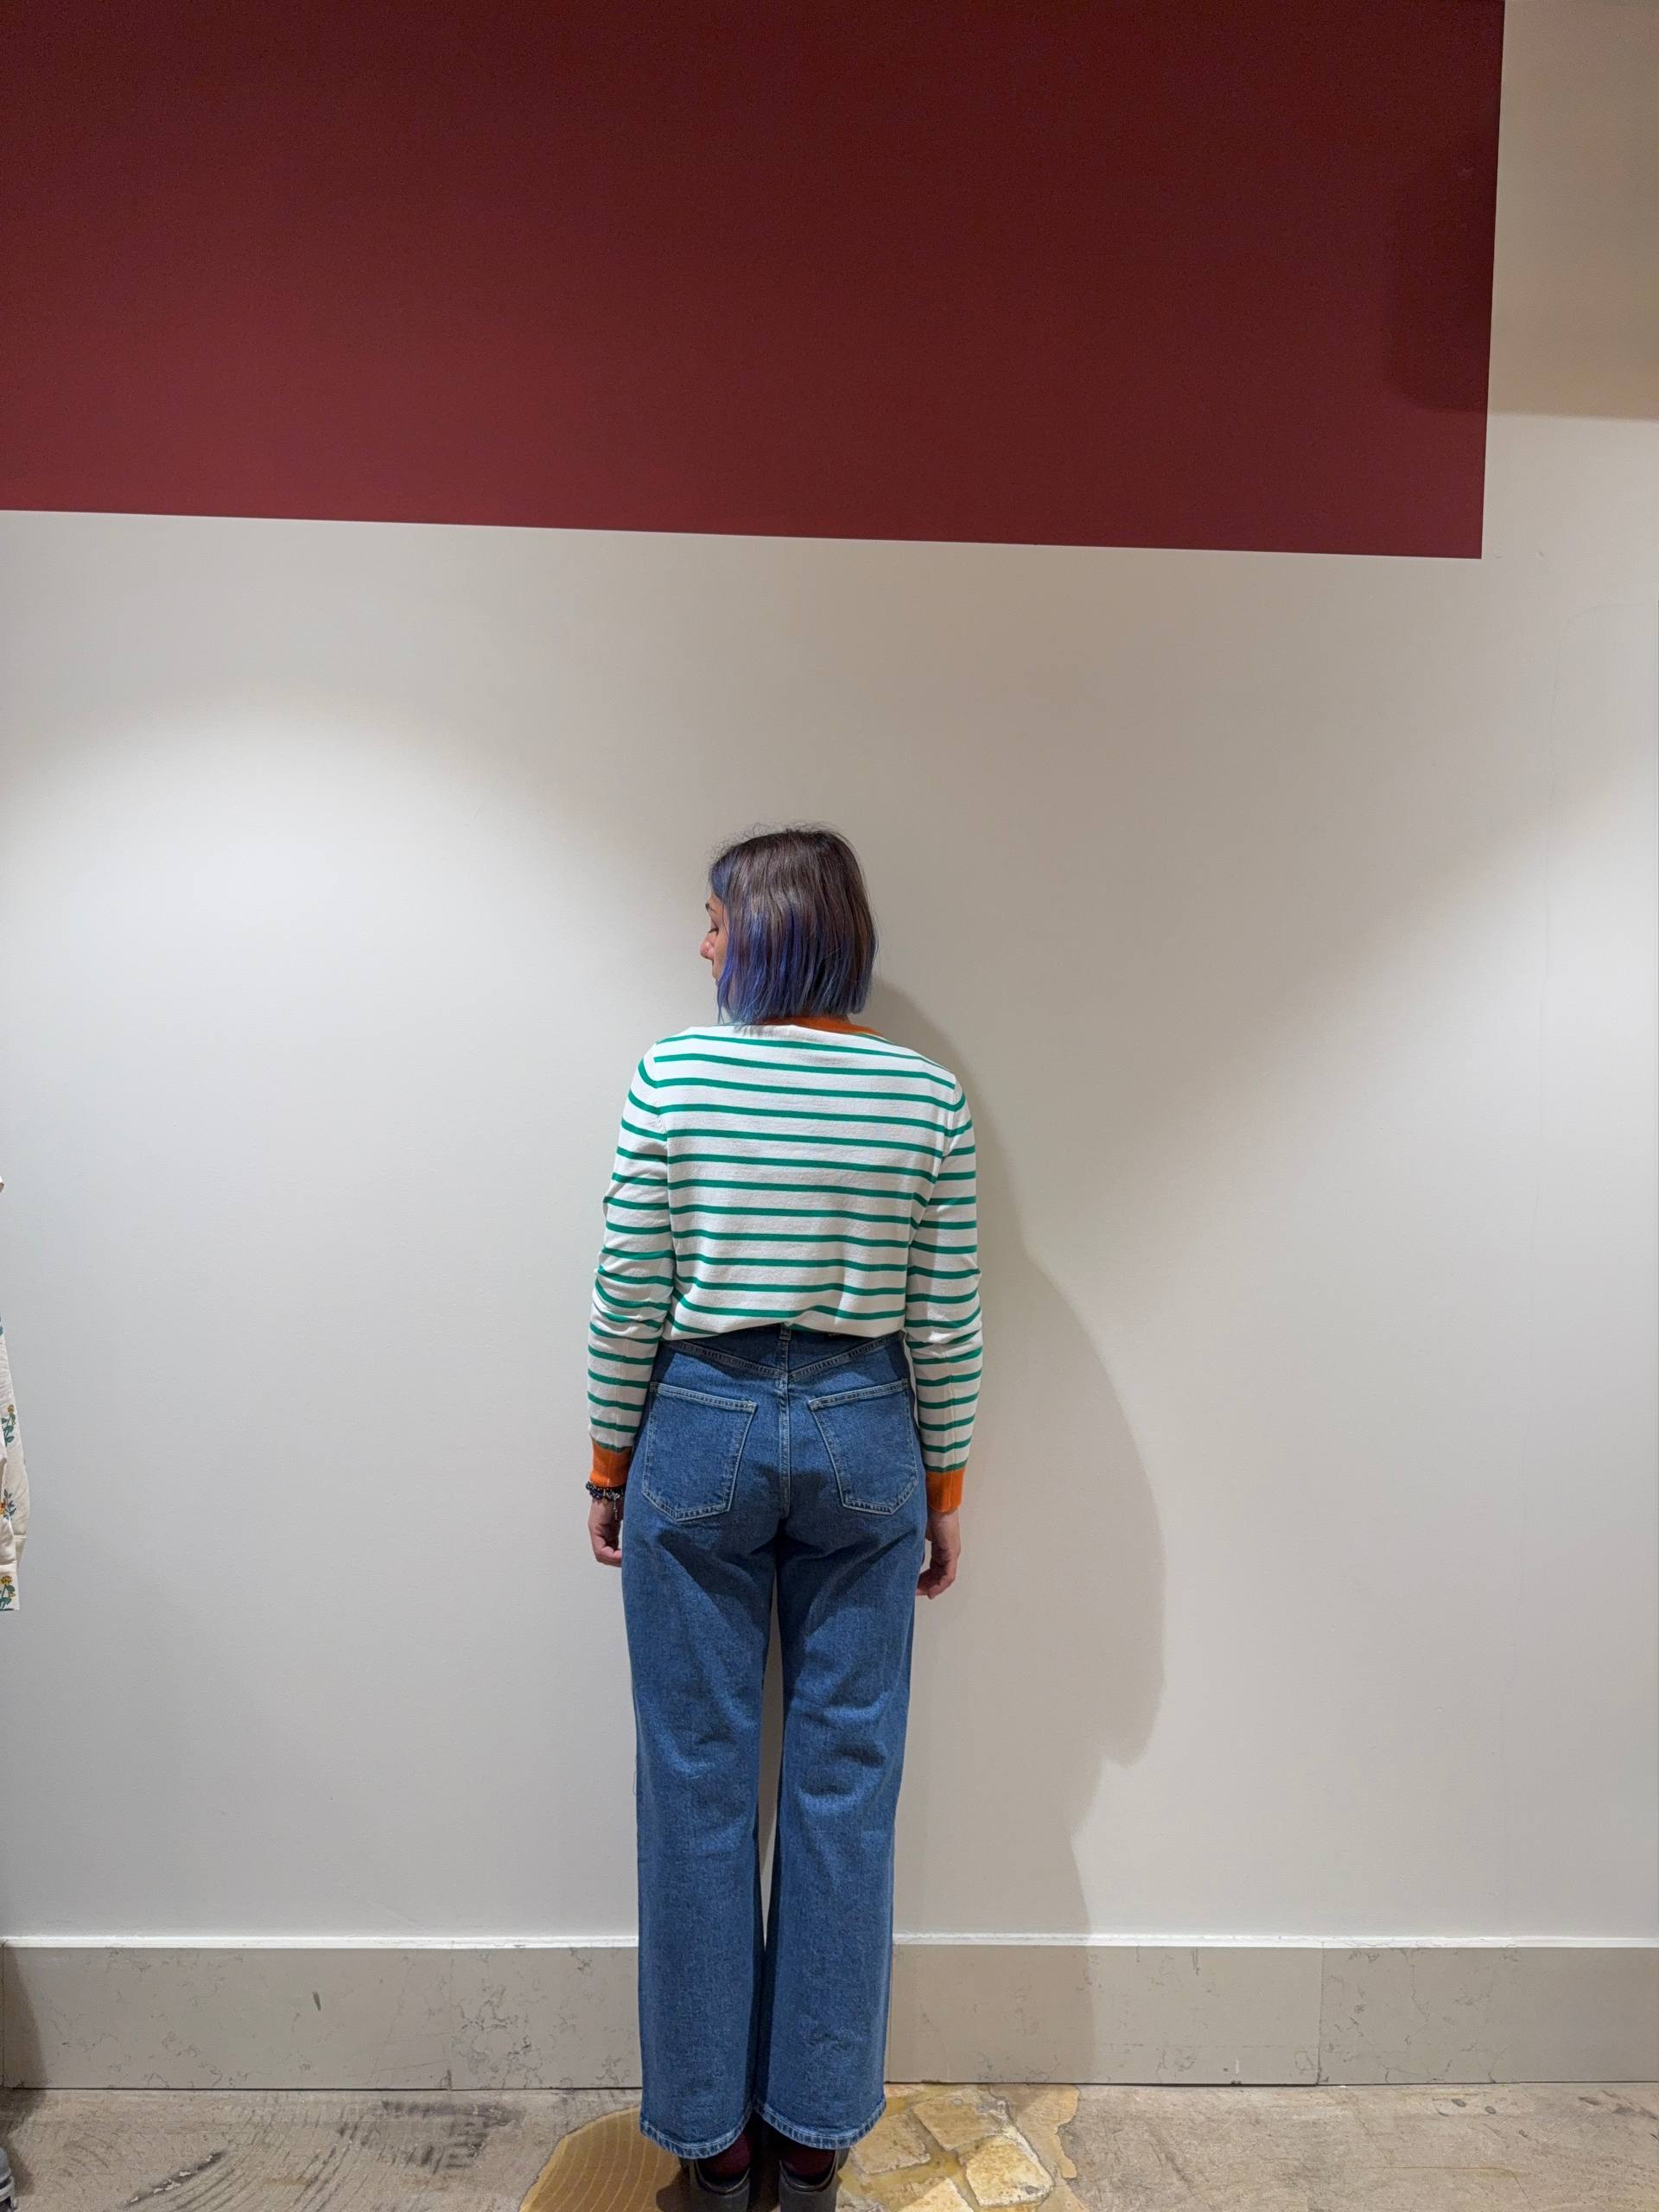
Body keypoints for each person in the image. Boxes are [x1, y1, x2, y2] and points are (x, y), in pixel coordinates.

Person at [584, 824, 982, 2209]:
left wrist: (607, 1459)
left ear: (762, 932)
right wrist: (942, 1483)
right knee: (844, 1786)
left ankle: (714, 2147)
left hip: (701, 1420)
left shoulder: (677, 1076)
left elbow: (628, 1291)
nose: (700, 944)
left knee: (695, 1783)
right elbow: (946, 1314)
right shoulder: (926, 1097)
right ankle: (811, 2147)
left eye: (712, 920)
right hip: (869, 1428)